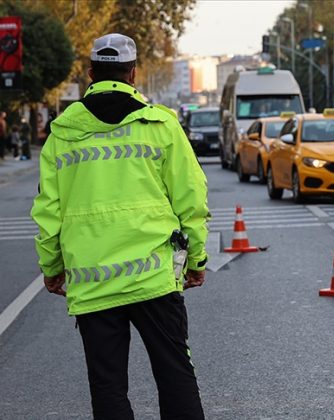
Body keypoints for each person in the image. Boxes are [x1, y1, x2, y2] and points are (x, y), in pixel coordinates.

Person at [31, 33, 209, 419]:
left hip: (94, 282)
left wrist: (51, 268)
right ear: (133, 73)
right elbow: (191, 198)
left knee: (108, 386)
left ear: (91, 72)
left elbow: (48, 212)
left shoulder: (62, 134)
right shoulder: (160, 124)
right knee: (175, 373)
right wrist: (196, 258)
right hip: (155, 278)